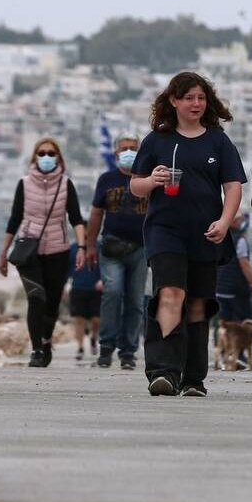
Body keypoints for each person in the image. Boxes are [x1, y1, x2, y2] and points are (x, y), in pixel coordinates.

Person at [131, 71, 246, 397]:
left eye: (201, 98)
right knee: (170, 293)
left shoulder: (218, 140)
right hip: (164, 231)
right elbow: (135, 186)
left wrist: (224, 222)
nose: (195, 104)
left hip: (206, 232)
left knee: (197, 303)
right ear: (174, 101)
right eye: (189, 98)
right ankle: (163, 371)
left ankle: (193, 378)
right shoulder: (157, 140)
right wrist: (152, 180)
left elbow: (233, 187)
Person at [0, 137, 87, 368]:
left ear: (58, 157)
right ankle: (37, 349)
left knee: (52, 303)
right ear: (34, 157)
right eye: (41, 153)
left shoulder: (66, 184)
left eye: (51, 153)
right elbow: (14, 219)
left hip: (58, 250)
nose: (46, 157)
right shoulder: (24, 183)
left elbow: (76, 218)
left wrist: (82, 247)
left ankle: (47, 340)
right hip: (29, 250)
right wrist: (3, 252)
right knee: (36, 298)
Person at [84, 133, 147, 369]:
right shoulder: (106, 179)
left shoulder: (147, 178)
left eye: (134, 148)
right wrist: (89, 245)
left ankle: (128, 351)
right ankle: (106, 347)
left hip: (141, 248)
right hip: (111, 246)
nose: (129, 152)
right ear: (116, 154)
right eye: (125, 149)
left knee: (135, 300)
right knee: (112, 293)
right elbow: (96, 214)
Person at [216, 211, 252, 365]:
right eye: (242, 220)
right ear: (234, 221)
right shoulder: (240, 240)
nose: (244, 223)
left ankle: (223, 355)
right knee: (242, 323)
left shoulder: (219, 236)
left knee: (223, 323)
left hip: (220, 288)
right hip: (236, 289)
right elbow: (244, 263)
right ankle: (240, 356)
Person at [67, 243, 101, 361]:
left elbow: (106, 265)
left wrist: (103, 279)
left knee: (96, 319)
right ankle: (80, 347)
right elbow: (67, 267)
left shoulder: (99, 246)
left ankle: (94, 337)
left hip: (96, 288)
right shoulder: (73, 248)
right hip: (78, 287)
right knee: (79, 319)